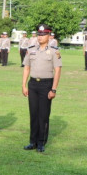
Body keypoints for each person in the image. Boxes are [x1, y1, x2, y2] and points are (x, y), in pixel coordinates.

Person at [22, 24, 62, 153]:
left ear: (49, 36)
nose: (40, 37)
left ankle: (41, 142)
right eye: (39, 35)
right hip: (33, 84)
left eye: (43, 34)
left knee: (43, 115)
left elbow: (57, 70)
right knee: (33, 114)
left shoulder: (54, 51)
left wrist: (54, 89)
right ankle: (32, 141)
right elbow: (26, 67)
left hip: (46, 85)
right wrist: (24, 85)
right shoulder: (31, 49)